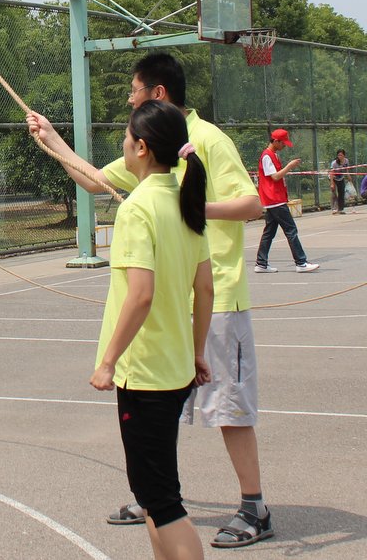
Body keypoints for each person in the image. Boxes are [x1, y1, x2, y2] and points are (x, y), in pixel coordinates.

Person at [27, 52, 274, 548]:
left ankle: (252, 505)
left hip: (215, 298)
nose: (129, 98)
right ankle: (154, 494)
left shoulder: (204, 142)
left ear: (157, 94)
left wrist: (189, 208)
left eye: (134, 90)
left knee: (226, 407)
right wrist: (52, 140)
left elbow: (254, 203)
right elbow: (98, 178)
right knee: (164, 409)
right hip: (173, 299)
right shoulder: (153, 154)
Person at [90, 100, 213, 560]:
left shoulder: (137, 209)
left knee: (162, 501)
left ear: (141, 148)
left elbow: (140, 294)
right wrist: (197, 352)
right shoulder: (184, 200)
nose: (122, 143)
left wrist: (108, 361)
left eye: (126, 137)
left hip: (145, 375)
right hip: (175, 368)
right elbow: (205, 290)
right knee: (153, 498)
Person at [255, 129, 319, 273]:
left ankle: (261, 263)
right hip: (274, 199)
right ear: (276, 141)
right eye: (283, 143)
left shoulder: (274, 155)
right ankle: (301, 262)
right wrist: (289, 166)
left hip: (275, 199)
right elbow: (275, 177)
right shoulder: (267, 156)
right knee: (291, 230)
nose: (285, 146)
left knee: (269, 232)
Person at [329, 149, 352, 214]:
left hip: (341, 178)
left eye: (341, 155)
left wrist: (349, 176)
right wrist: (332, 184)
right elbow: (331, 173)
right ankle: (334, 209)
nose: (340, 156)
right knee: (334, 193)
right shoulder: (334, 163)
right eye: (338, 155)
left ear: (344, 155)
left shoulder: (346, 161)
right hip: (333, 178)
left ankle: (341, 209)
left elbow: (346, 170)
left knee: (341, 193)